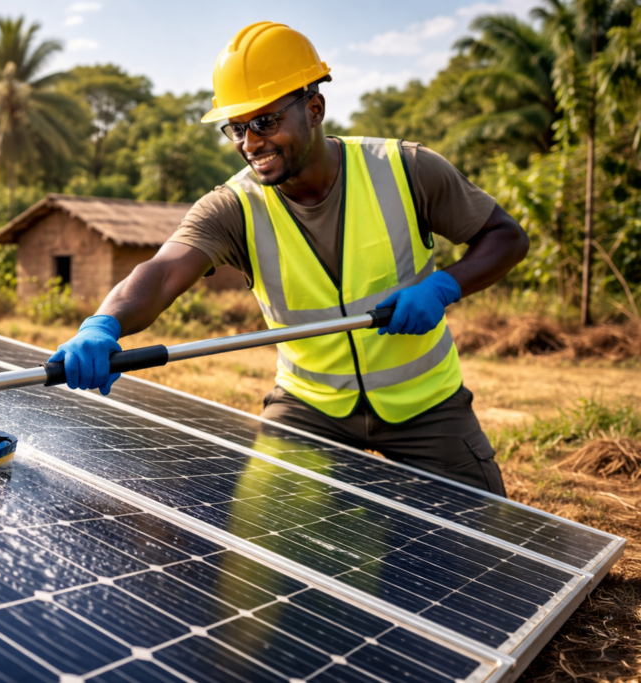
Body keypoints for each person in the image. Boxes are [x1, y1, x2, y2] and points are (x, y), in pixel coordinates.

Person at [49, 21, 528, 495]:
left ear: (314, 109)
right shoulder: (232, 207)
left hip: (427, 405)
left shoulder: (406, 169)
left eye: (265, 122)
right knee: (266, 547)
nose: (250, 143)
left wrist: (443, 287)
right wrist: (102, 324)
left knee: (484, 544)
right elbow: (162, 271)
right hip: (309, 407)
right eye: (236, 128)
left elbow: (505, 237)